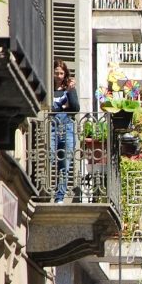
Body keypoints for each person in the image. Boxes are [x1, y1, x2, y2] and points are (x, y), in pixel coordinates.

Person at [49, 60, 79, 203]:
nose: (59, 76)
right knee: (49, 157)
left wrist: (71, 91)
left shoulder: (69, 89)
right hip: (51, 127)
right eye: (56, 73)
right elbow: (50, 109)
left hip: (67, 127)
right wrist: (63, 106)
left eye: (61, 73)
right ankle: (45, 191)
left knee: (65, 164)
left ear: (65, 74)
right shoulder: (48, 88)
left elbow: (75, 107)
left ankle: (59, 196)